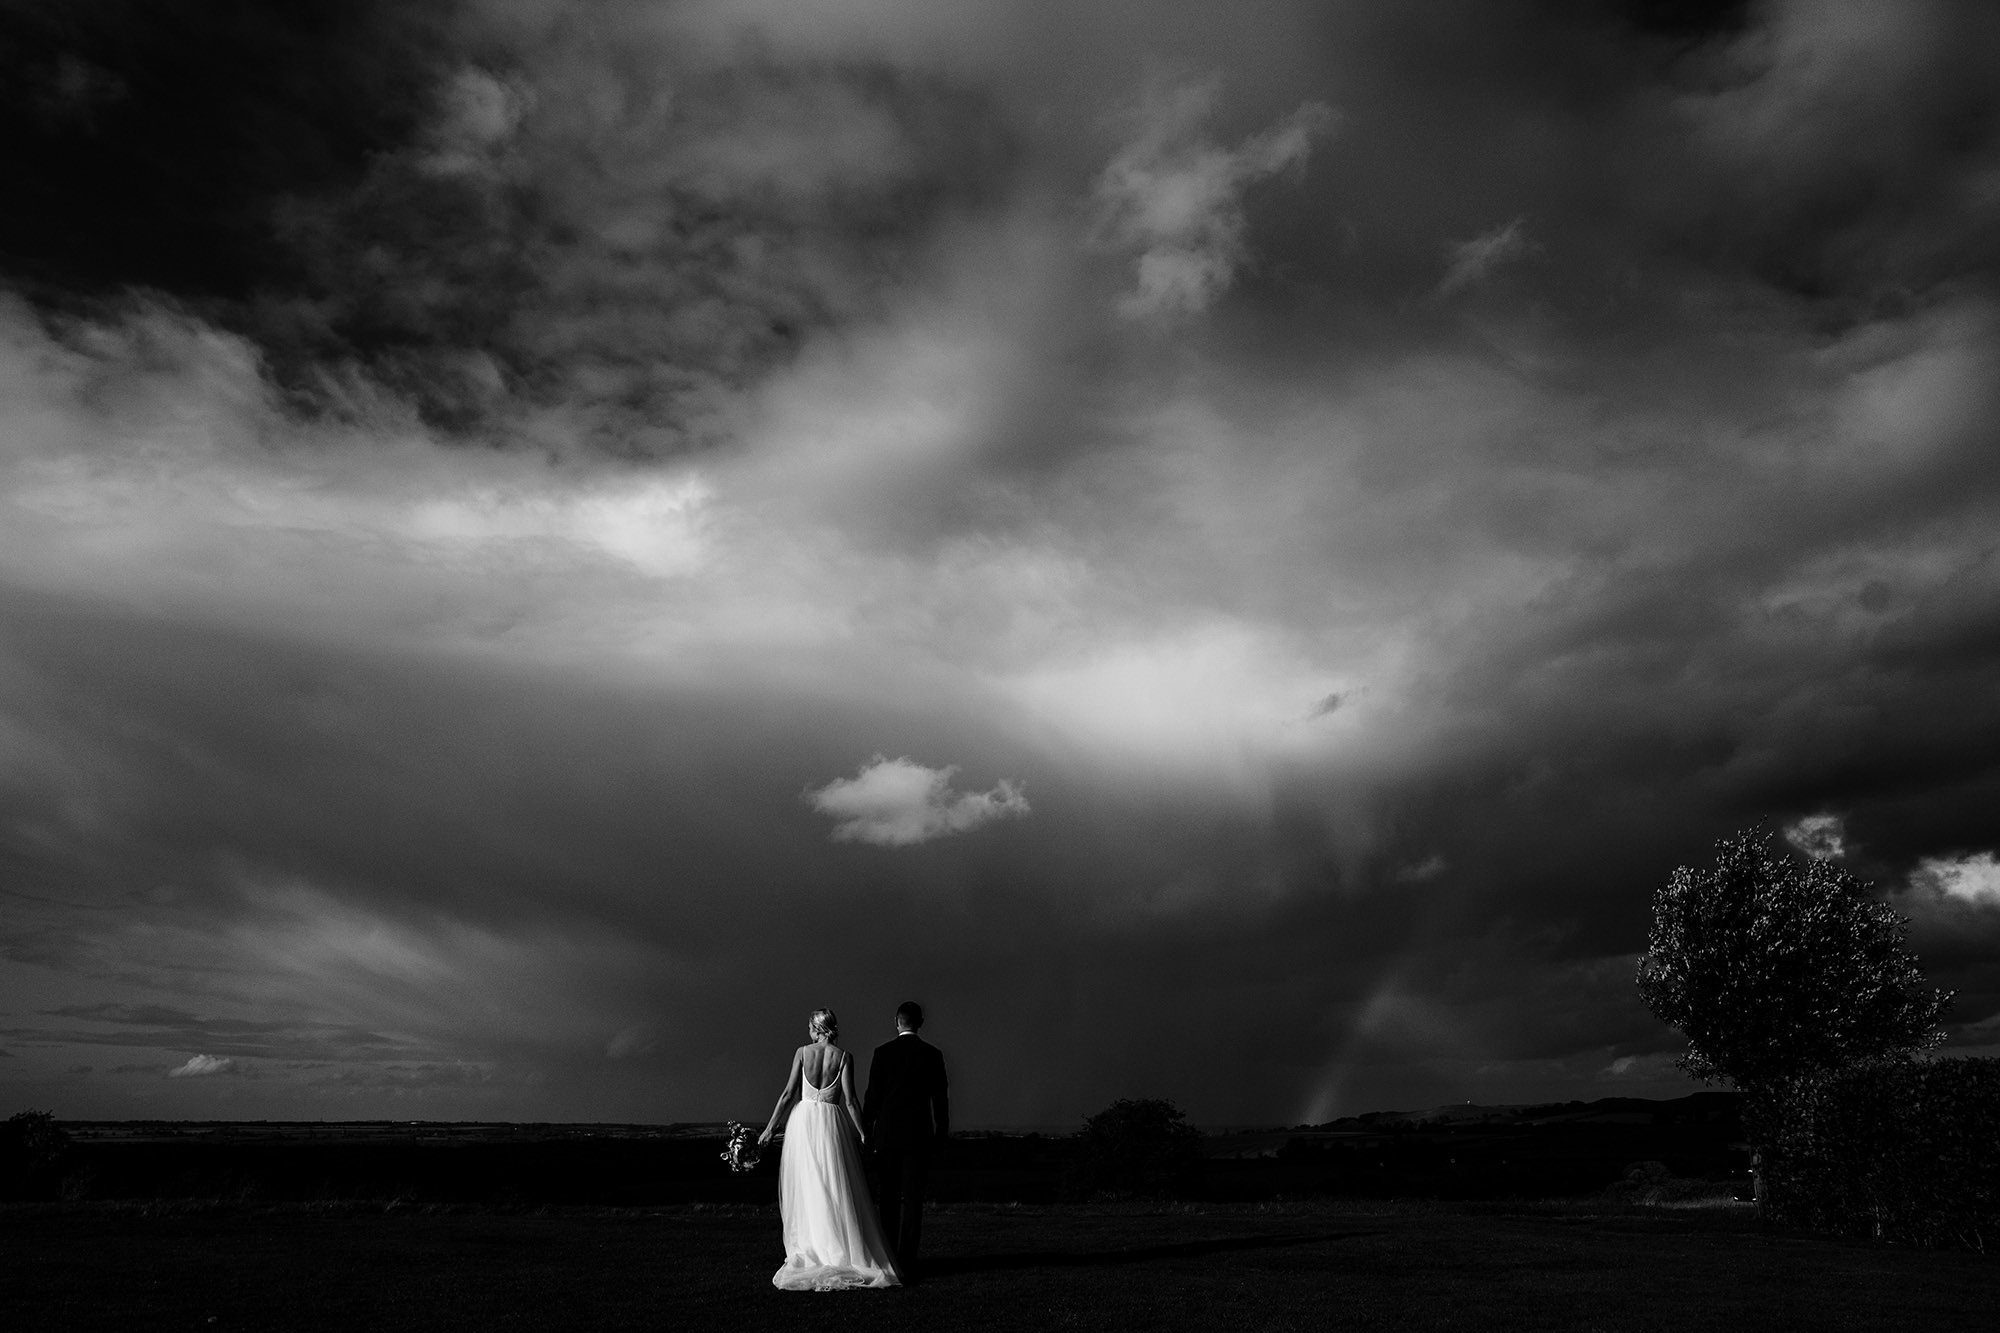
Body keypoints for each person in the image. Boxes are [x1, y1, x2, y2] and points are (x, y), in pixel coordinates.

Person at [758, 1008, 902, 1290]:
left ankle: (815, 1248)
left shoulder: (802, 1052)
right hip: (832, 1125)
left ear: (815, 1028)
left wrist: (770, 1128)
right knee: (835, 1186)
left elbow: (788, 1094)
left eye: (810, 1028)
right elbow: (850, 1101)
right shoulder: (845, 1057)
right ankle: (838, 1248)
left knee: (809, 1186)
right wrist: (862, 1133)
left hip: (804, 1122)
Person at [861, 1001, 949, 1280]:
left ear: (896, 1021)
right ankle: (908, 1258)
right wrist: (941, 1132)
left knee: (887, 1197)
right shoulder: (932, 1054)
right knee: (913, 1200)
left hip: (887, 1136)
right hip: (918, 1136)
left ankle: (887, 1258)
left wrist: (867, 1129)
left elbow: (872, 1097)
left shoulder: (882, 1053)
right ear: (920, 1022)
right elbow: (940, 1099)